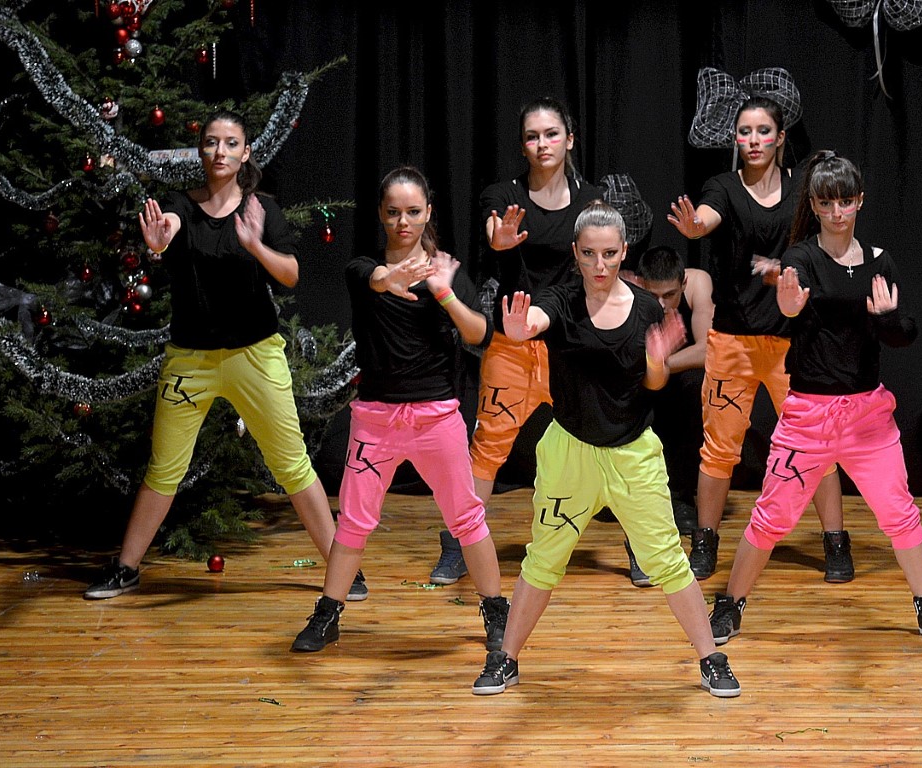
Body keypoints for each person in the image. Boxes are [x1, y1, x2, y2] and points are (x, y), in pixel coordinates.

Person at [82, 110, 366, 601]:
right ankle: (125, 568)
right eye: (211, 142)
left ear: (245, 152)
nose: (220, 151)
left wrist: (255, 244)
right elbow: (169, 226)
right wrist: (157, 243)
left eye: (231, 143)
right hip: (190, 360)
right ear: (201, 151)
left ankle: (344, 570)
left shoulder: (262, 210)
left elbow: (291, 275)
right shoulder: (181, 205)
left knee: (293, 466)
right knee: (163, 470)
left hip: (255, 355)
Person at [470, 201, 740, 698]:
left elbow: (653, 383)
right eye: (589, 253)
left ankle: (711, 657)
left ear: (624, 252)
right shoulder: (561, 298)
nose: (599, 265)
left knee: (668, 560)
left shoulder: (646, 309)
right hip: (569, 454)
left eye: (610, 254)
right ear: (575, 251)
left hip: (632, 454)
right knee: (542, 560)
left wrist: (658, 359)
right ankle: (506, 659)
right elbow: (535, 318)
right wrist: (521, 327)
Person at [708, 150, 922, 647]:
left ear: (860, 201)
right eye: (827, 203)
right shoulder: (801, 259)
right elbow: (788, 311)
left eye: (845, 201)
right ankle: (731, 604)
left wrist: (887, 319)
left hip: (868, 416)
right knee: (771, 517)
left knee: (899, 514)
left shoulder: (879, 261)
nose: (837, 211)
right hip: (809, 416)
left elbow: (902, 333)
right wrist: (789, 305)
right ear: (815, 206)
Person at [290, 167, 508, 653]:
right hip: (376, 421)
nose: (402, 222)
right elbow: (376, 280)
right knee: (353, 522)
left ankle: (496, 610)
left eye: (412, 212)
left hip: (436, 418)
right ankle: (328, 614)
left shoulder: (446, 272)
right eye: (393, 212)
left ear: (428, 212)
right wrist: (392, 277)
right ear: (381, 214)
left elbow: (479, 334)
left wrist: (444, 291)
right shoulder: (362, 268)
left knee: (467, 518)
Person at [668, 95, 849, 583]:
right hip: (733, 342)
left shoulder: (801, 189)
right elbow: (707, 216)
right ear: (735, 138)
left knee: (817, 449)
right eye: (745, 132)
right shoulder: (724, 186)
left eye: (763, 131)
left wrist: (789, 268)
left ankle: (836, 542)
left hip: (793, 344)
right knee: (718, 449)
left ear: (780, 137)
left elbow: (825, 244)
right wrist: (696, 226)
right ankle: (705, 541)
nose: (753, 140)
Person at [429, 96, 604, 586]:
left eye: (551, 134)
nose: (542, 144)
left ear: (569, 139)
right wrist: (501, 240)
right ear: (522, 145)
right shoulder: (502, 195)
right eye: (532, 136)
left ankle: (639, 543)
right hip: (512, 344)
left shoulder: (591, 200)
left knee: (607, 440)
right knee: (488, 445)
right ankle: (459, 543)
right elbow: (494, 233)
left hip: (569, 344)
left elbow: (595, 266)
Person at [622, 245, 713, 587]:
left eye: (670, 295)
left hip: (674, 370)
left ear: (683, 283)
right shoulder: (623, 290)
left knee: (696, 387)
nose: (661, 304)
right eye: (653, 295)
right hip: (638, 376)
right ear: (639, 284)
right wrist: (651, 366)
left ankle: (681, 496)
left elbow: (708, 349)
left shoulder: (698, 283)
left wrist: (661, 362)